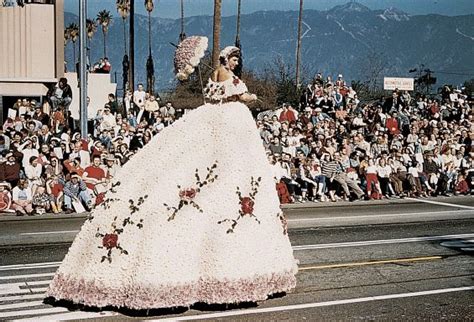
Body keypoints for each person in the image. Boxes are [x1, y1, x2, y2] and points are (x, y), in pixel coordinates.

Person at [47, 45, 297, 309]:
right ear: (225, 58)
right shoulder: (221, 73)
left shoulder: (222, 74)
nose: (235, 63)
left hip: (234, 126)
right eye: (233, 58)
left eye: (237, 60)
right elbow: (224, 95)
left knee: (237, 182)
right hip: (227, 122)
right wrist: (246, 96)